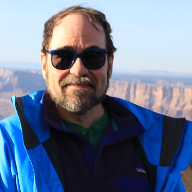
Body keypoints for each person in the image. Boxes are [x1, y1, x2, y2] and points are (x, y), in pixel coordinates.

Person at [0, 5, 191, 192]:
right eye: (63, 57)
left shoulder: (160, 142)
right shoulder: (10, 144)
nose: (78, 69)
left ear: (110, 64)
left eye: (93, 56)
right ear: (44, 64)